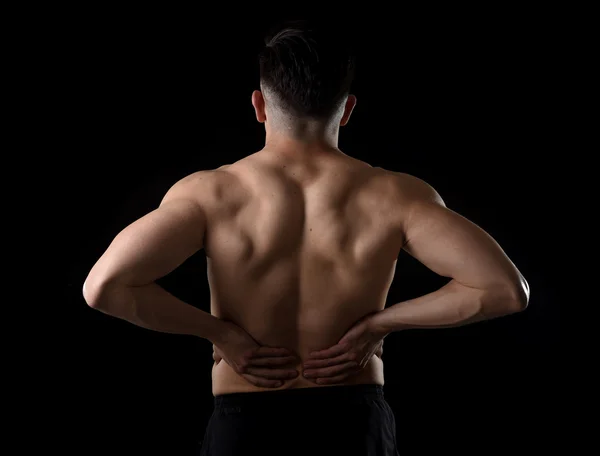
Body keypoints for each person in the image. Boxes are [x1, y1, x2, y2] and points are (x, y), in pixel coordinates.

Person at [83, 19, 529, 456]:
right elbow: (506, 290)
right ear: (348, 108)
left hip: (245, 416)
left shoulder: (212, 193)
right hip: (352, 416)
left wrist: (221, 334)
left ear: (258, 105)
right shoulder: (397, 195)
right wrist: (380, 324)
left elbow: (104, 286)